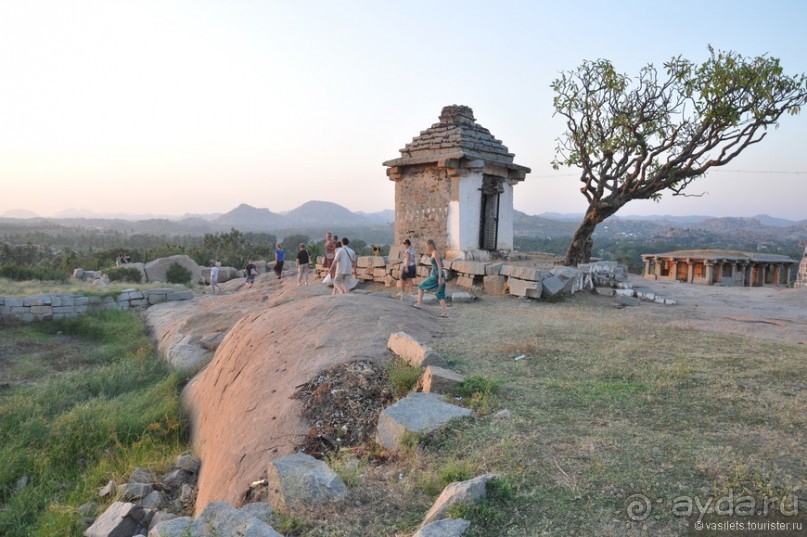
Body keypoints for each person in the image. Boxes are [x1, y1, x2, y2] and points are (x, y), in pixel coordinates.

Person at [413, 239, 448, 317]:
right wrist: (432, 267)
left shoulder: (435, 253)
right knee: (440, 293)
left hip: (436, 275)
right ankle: (445, 313)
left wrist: (439, 277)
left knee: (421, 286)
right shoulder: (436, 252)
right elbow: (439, 265)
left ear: (431, 245)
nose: (426, 248)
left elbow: (439, 266)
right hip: (437, 274)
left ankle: (419, 304)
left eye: (427, 246)